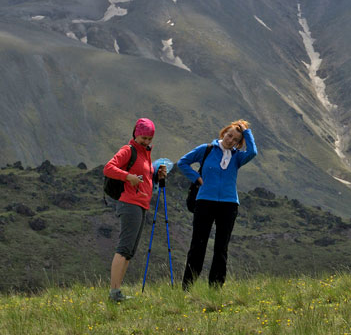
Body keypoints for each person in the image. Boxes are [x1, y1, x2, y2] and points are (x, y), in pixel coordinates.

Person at [177, 119, 257, 289]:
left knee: (221, 248)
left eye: (236, 140)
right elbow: (183, 162)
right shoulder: (206, 150)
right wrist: (196, 179)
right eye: (229, 136)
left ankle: (215, 288)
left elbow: (253, 152)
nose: (230, 141)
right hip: (205, 202)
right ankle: (187, 287)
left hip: (229, 205)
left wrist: (246, 132)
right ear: (223, 133)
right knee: (198, 245)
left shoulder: (237, 157)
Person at [103, 117, 166, 303]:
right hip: (129, 203)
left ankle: (117, 292)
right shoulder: (128, 150)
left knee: (129, 251)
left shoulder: (145, 154)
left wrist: (156, 176)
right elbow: (108, 168)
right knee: (123, 248)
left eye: (149, 139)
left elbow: (144, 179)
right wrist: (127, 176)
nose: (146, 142)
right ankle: (114, 293)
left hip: (141, 204)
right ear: (135, 134)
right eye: (143, 138)